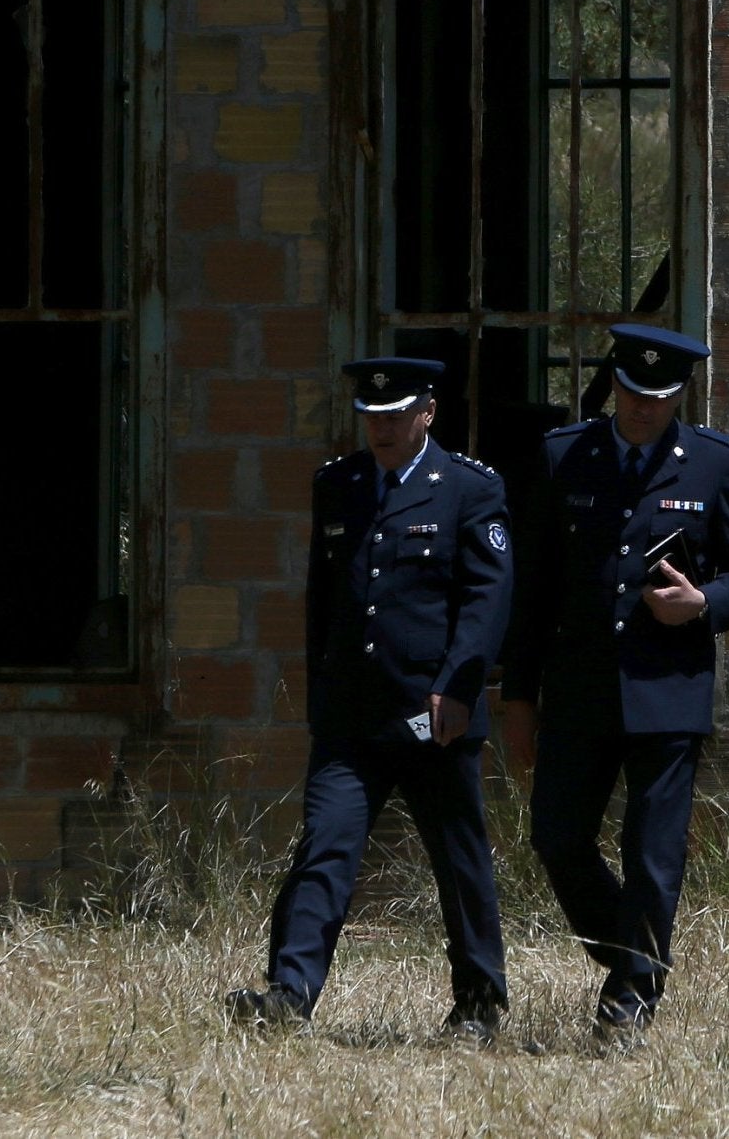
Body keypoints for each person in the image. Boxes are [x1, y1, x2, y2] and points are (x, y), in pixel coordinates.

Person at [228, 357, 511, 1039]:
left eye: (395, 413)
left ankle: (479, 999)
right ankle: (290, 992)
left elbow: (487, 599)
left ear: (428, 412)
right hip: (353, 716)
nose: (381, 427)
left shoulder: (468, 488)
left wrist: (459, 686)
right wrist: (321, 694)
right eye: (372, 415)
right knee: (324, 847)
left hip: (434, 714)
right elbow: (322, 603)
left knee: (458, 857)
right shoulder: (340, 484)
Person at [501, 324, 729, 1042]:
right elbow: (532, 590)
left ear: (682, 393)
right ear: (612, 382)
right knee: (556, 837)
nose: (644, 407)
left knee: (654, 852)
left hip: (668, 688)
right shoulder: (564, 457)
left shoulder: (713, 463)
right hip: (579, 688)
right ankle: (633, 952)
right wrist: (517, 695)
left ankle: (629, 998)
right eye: (632, 391)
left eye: (660, 395)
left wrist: (702, 603)